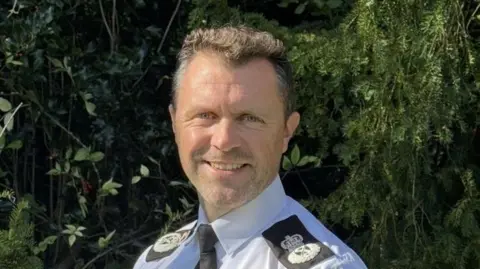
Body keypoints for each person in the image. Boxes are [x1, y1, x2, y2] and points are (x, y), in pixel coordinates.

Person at [133, 25, 368, 269]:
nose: (223, 141)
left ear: (287, 130)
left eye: (249, 118)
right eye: (205, 115)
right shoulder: (157, 262)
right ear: (174, 123)